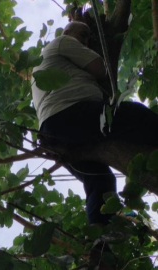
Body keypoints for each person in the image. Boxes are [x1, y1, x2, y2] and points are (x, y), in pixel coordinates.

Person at [32, 21, 158, 226]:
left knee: (101, 181)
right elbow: (100, 69)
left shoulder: (54, 58)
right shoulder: (62, 41)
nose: (86, 41)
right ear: (66, 32)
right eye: (82, 34)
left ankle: (100, 245)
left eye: (88, 37)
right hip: (69, 115)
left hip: (55, 133)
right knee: (136, 116)